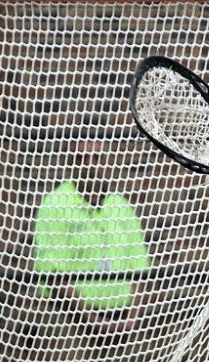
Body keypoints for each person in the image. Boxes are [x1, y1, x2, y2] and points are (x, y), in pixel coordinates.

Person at [33, 134, 150, 335]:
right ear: (69, 163)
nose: (89, 165)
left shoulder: (120, 206)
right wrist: (92, 321)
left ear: (106, 162)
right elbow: (52, 275)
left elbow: (141, 270)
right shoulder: (55, 206)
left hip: (123, 324)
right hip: (71, 324)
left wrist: (132, 319)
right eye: (81, 158)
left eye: (96, 157)